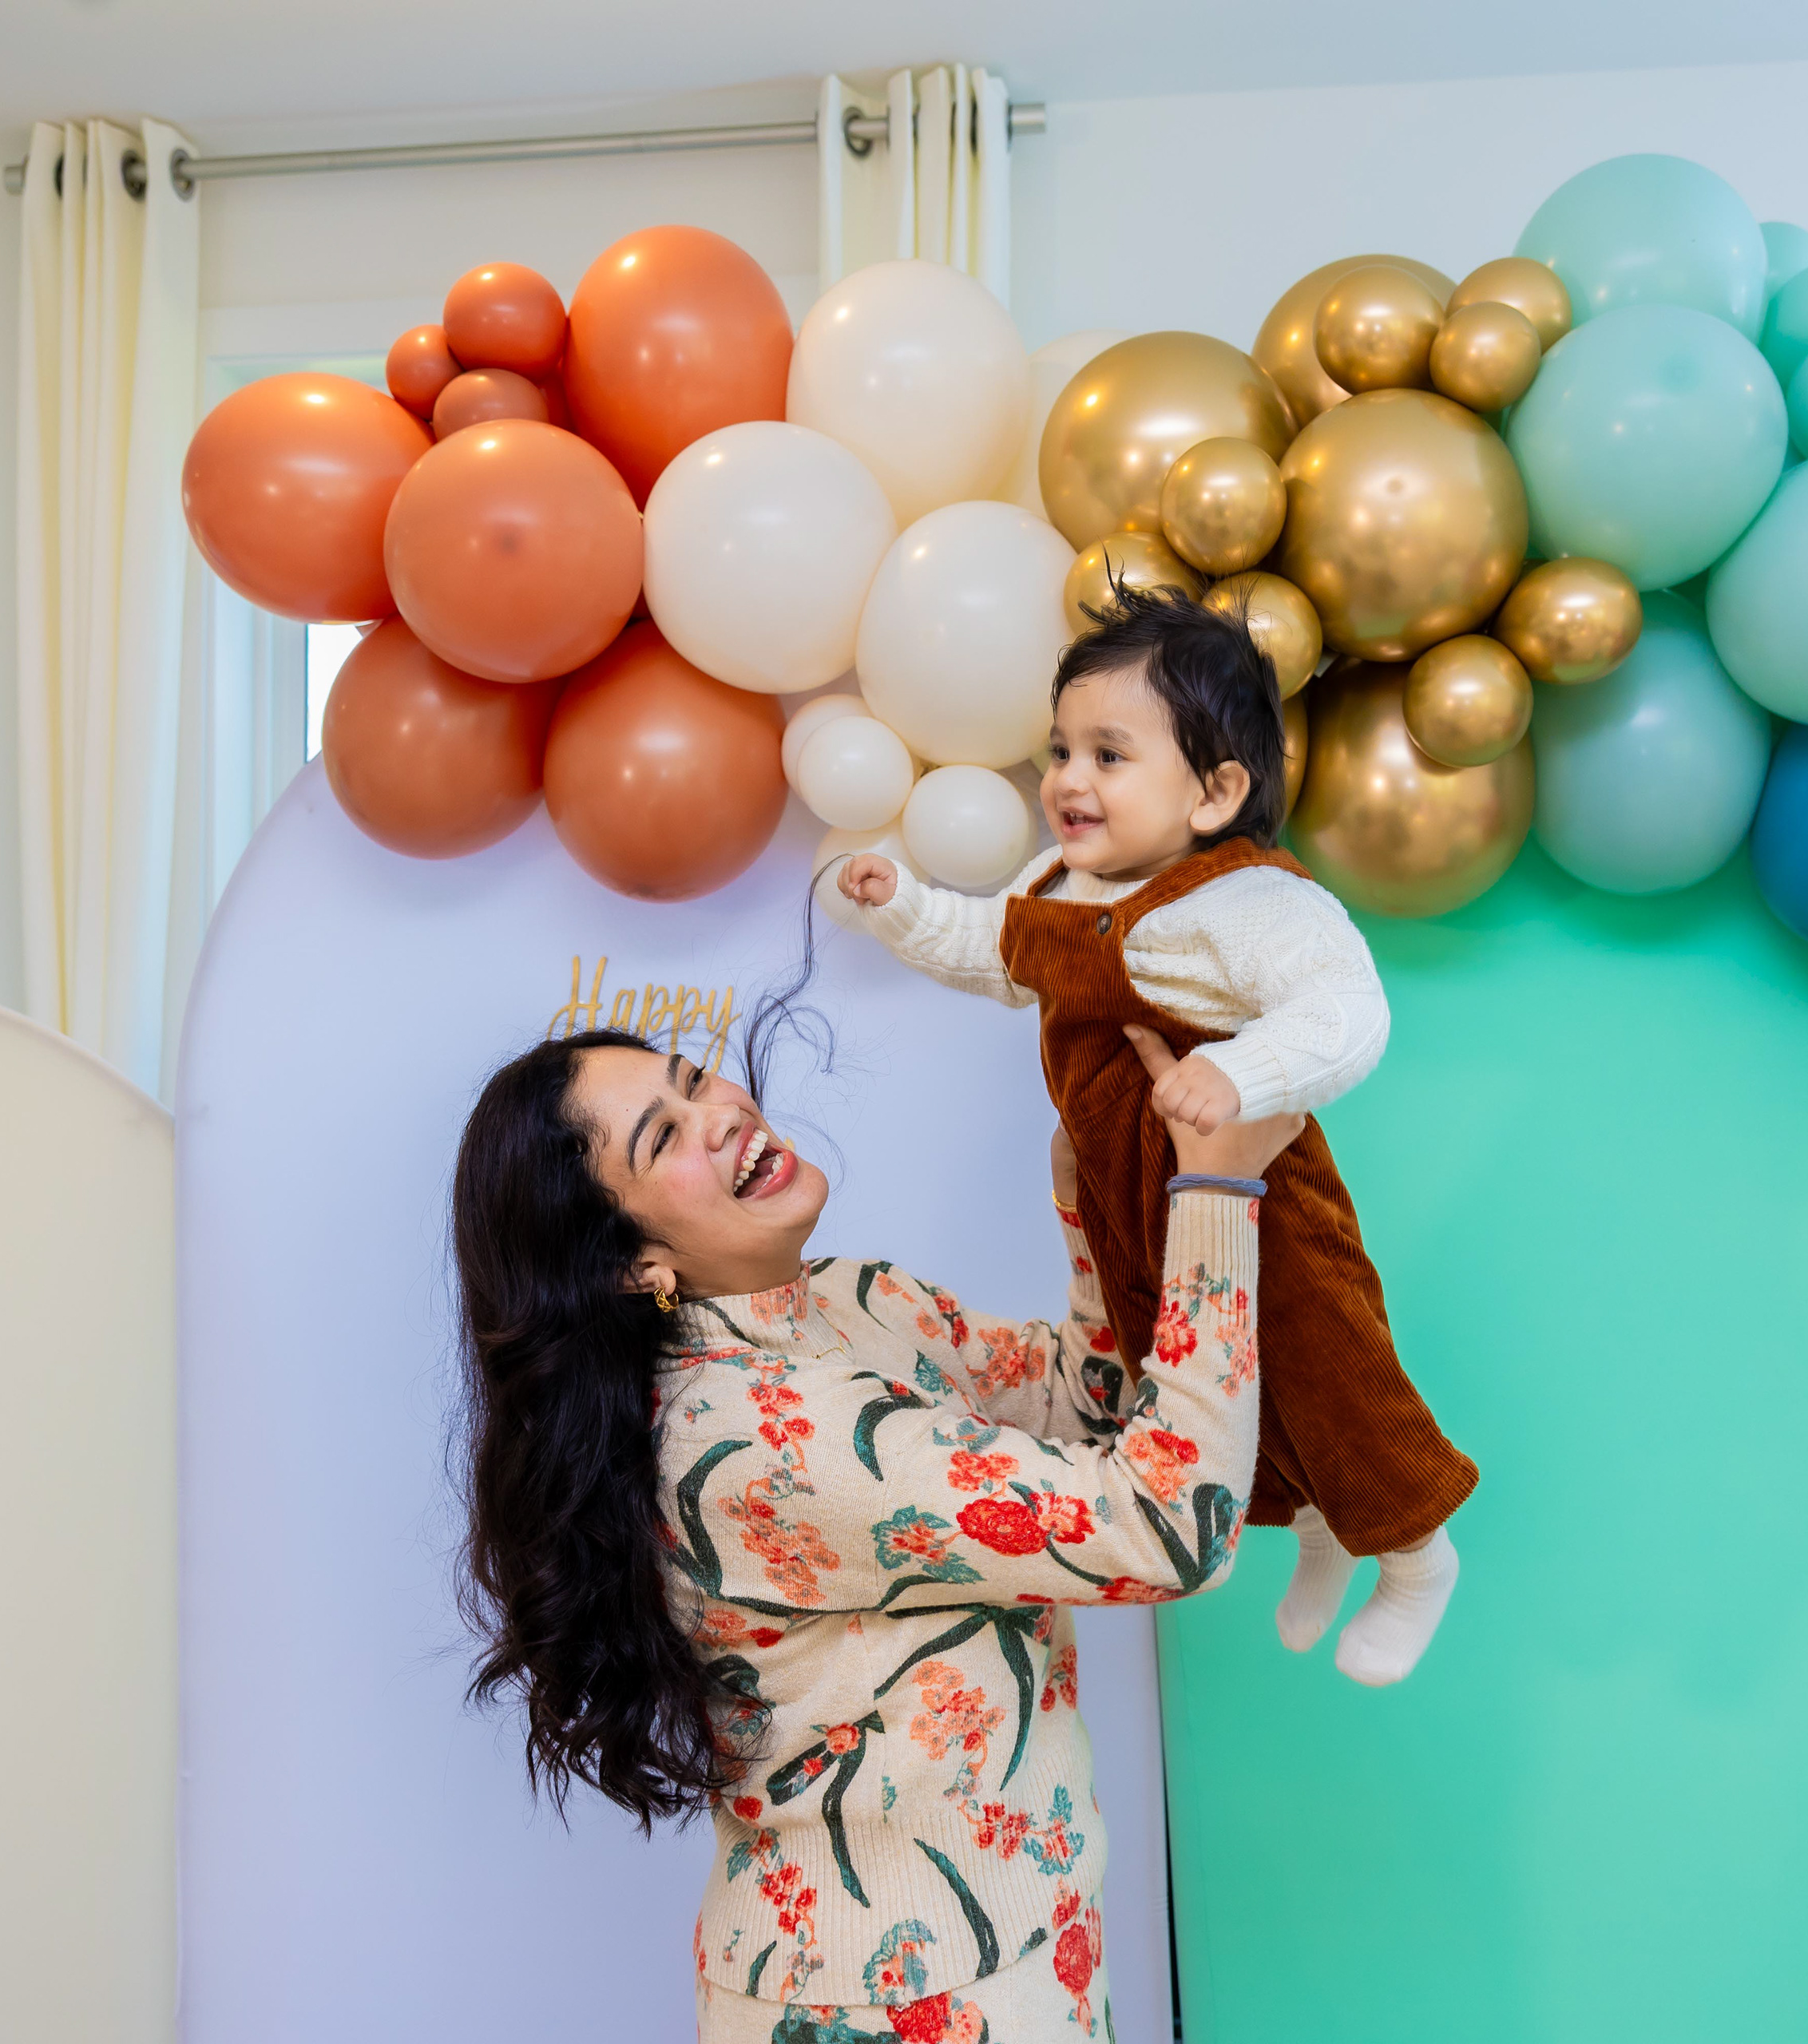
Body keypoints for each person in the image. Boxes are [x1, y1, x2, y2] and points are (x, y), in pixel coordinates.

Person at [451, 1020, 1302, 2041]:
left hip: (1025, 1943)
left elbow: (1078, 1403)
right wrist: (1218, 1194)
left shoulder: (851, 1298)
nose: (720, 1112)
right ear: (633, 1266)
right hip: (894, 2000)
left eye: (693, 1078)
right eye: (663, 1136)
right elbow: (1172, 1527)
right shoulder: (762, 1442)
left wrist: (1087, 1186)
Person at [837, 584, 1478, 1688]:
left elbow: (1347, 1010)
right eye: (1060, 750)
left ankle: (1418, 1554)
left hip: (1256, 1195)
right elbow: (992, 952)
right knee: (1219, 1390)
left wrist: (1239, 1071)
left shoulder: (1250, 904)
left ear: (1215, 791)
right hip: (1137, 1207)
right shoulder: (1057, 885)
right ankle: (1319, 1531)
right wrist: (901, 904)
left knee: (1326, 1371)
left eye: (1109, 754)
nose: (1068, 779)